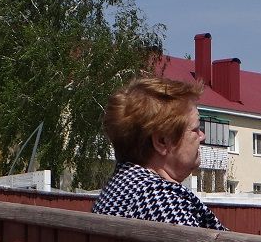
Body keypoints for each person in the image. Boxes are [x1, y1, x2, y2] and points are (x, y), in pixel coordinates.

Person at [93, 77, 226, 230]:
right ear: (162, 141)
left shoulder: (119, 190)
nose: (203, 136)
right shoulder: (161, 201)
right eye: (195, 129)